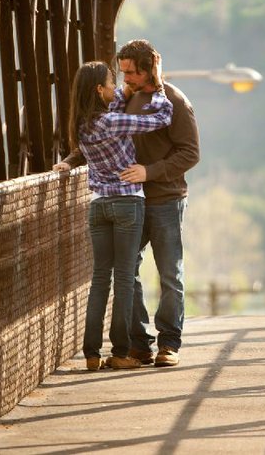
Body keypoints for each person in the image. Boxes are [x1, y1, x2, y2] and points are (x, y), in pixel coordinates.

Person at [59, 40, 200, 368]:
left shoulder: (175, 101)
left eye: (131, 73)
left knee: (169, 273)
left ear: (148, 69)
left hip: (165, 199)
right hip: (129, 203)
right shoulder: (122, 100)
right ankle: (138, 343)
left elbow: (190, 153)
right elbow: (99, 136)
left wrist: (149, 171)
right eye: (120, 73)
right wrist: (68, 161)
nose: (125, 79)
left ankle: (169, 342)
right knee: (128, 272)